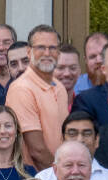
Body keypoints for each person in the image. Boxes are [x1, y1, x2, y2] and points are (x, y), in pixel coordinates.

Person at [7, 25, 72, 169]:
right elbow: (37, 151)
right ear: (29, 52)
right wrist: (60, 177)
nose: (47, 53)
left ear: (59, 53)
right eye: (41, 48)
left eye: (53, 48)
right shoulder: (21, 89)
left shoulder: (59, 87)